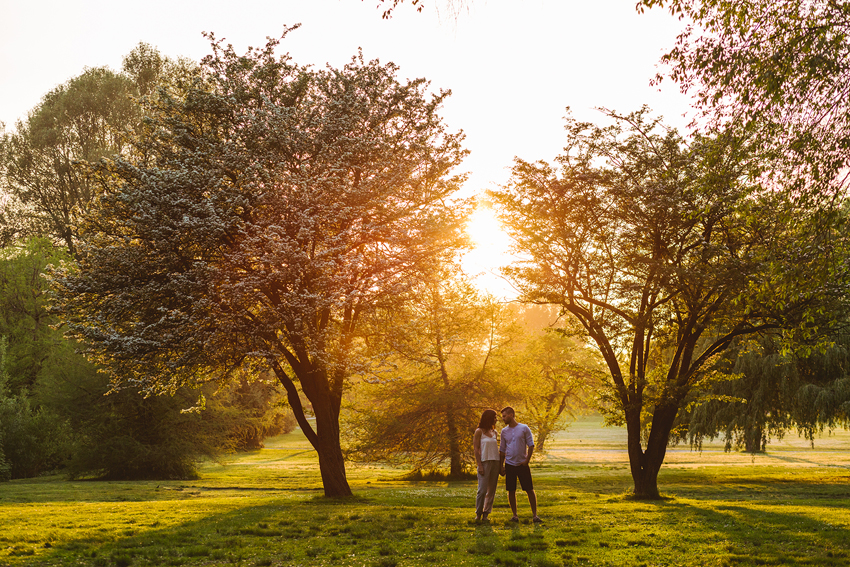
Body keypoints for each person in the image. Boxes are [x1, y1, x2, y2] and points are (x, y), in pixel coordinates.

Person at [499, 406, 541, 523]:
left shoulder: (524, 428)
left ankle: (535, 515)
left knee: (529, 489)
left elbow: (531, 445)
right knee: (511, 490)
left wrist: (527, 460)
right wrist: (501, 466)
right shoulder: (504, 431)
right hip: (509, 464)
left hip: (522, 465)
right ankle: (515, 515)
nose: (503, 418)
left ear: (511, 415)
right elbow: (502, 450)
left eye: (504, 416)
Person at [473, 409, 500, 522]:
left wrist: (501, 465)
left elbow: (497, 449)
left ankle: (486, 514)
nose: (496, 419)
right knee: (482, 490)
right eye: (494, 417)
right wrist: (479, 464)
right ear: (489, 418)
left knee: (491, 490)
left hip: (495, 462)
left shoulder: (495, 432)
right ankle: (478, 513)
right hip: (484, 462)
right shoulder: (479, 431)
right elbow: (476, 448)